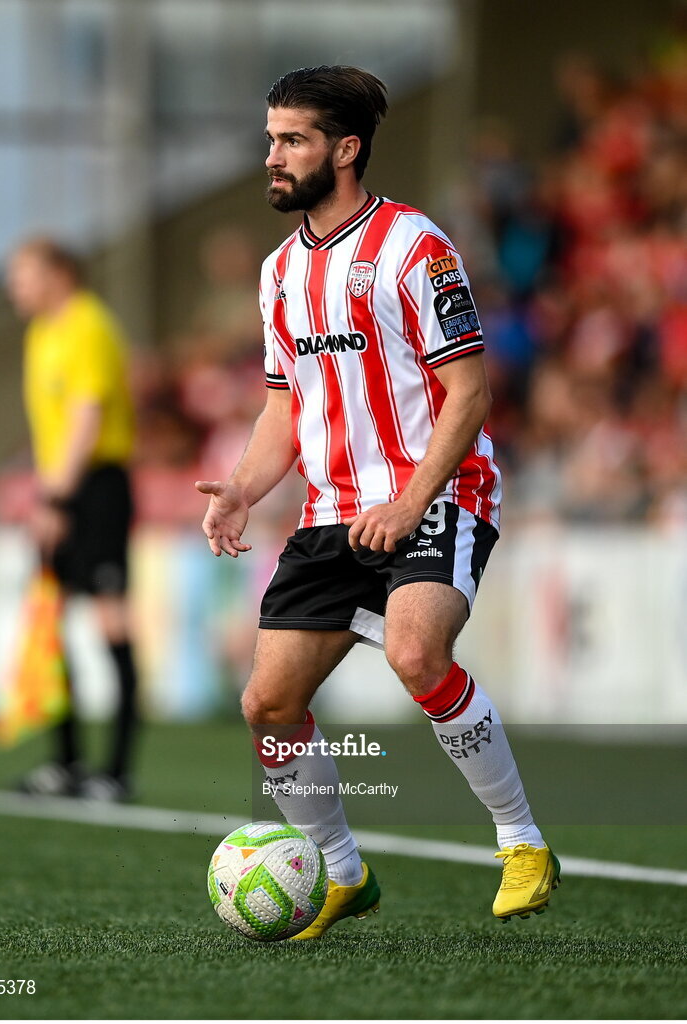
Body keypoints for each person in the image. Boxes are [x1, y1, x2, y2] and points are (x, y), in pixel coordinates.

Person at [196, 65, 560, 938]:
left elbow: (467, 394)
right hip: (332, 516)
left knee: (414, 651)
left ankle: (522, 841)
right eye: (271, 139)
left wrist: (406, 502)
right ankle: (343, 874)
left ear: (345, 149)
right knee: (267, 704)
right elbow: (287, 407)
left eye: (293, 140)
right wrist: (244, 488)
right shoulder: (278, 272)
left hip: (437, 492)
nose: (273, 157)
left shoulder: (414, 248)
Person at [7, 238, 139, 802]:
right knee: (50, 623)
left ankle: (115, 770)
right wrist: (46, 494)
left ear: (59, 273)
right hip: (59, 489)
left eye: (24, 274)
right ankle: (64, 762)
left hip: (98, 487)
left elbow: (86, 417)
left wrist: (56, 500)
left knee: (112, 621)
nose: (15, 287)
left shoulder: (87, 324)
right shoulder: (40, 333)